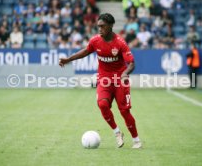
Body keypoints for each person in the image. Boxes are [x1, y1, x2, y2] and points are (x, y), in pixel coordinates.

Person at [59, 13, 142, 148]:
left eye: (102, 26)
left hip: (120, 80)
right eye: (98, 26)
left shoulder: (120, 43)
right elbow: (85, 51)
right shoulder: (95, 40)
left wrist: (126, 73)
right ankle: (117, 132)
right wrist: (68, 59)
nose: (99, 29)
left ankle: (136, 140)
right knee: (102, 105)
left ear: (110, 26)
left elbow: (132, 63)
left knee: (124, 112)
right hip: (104, 79)